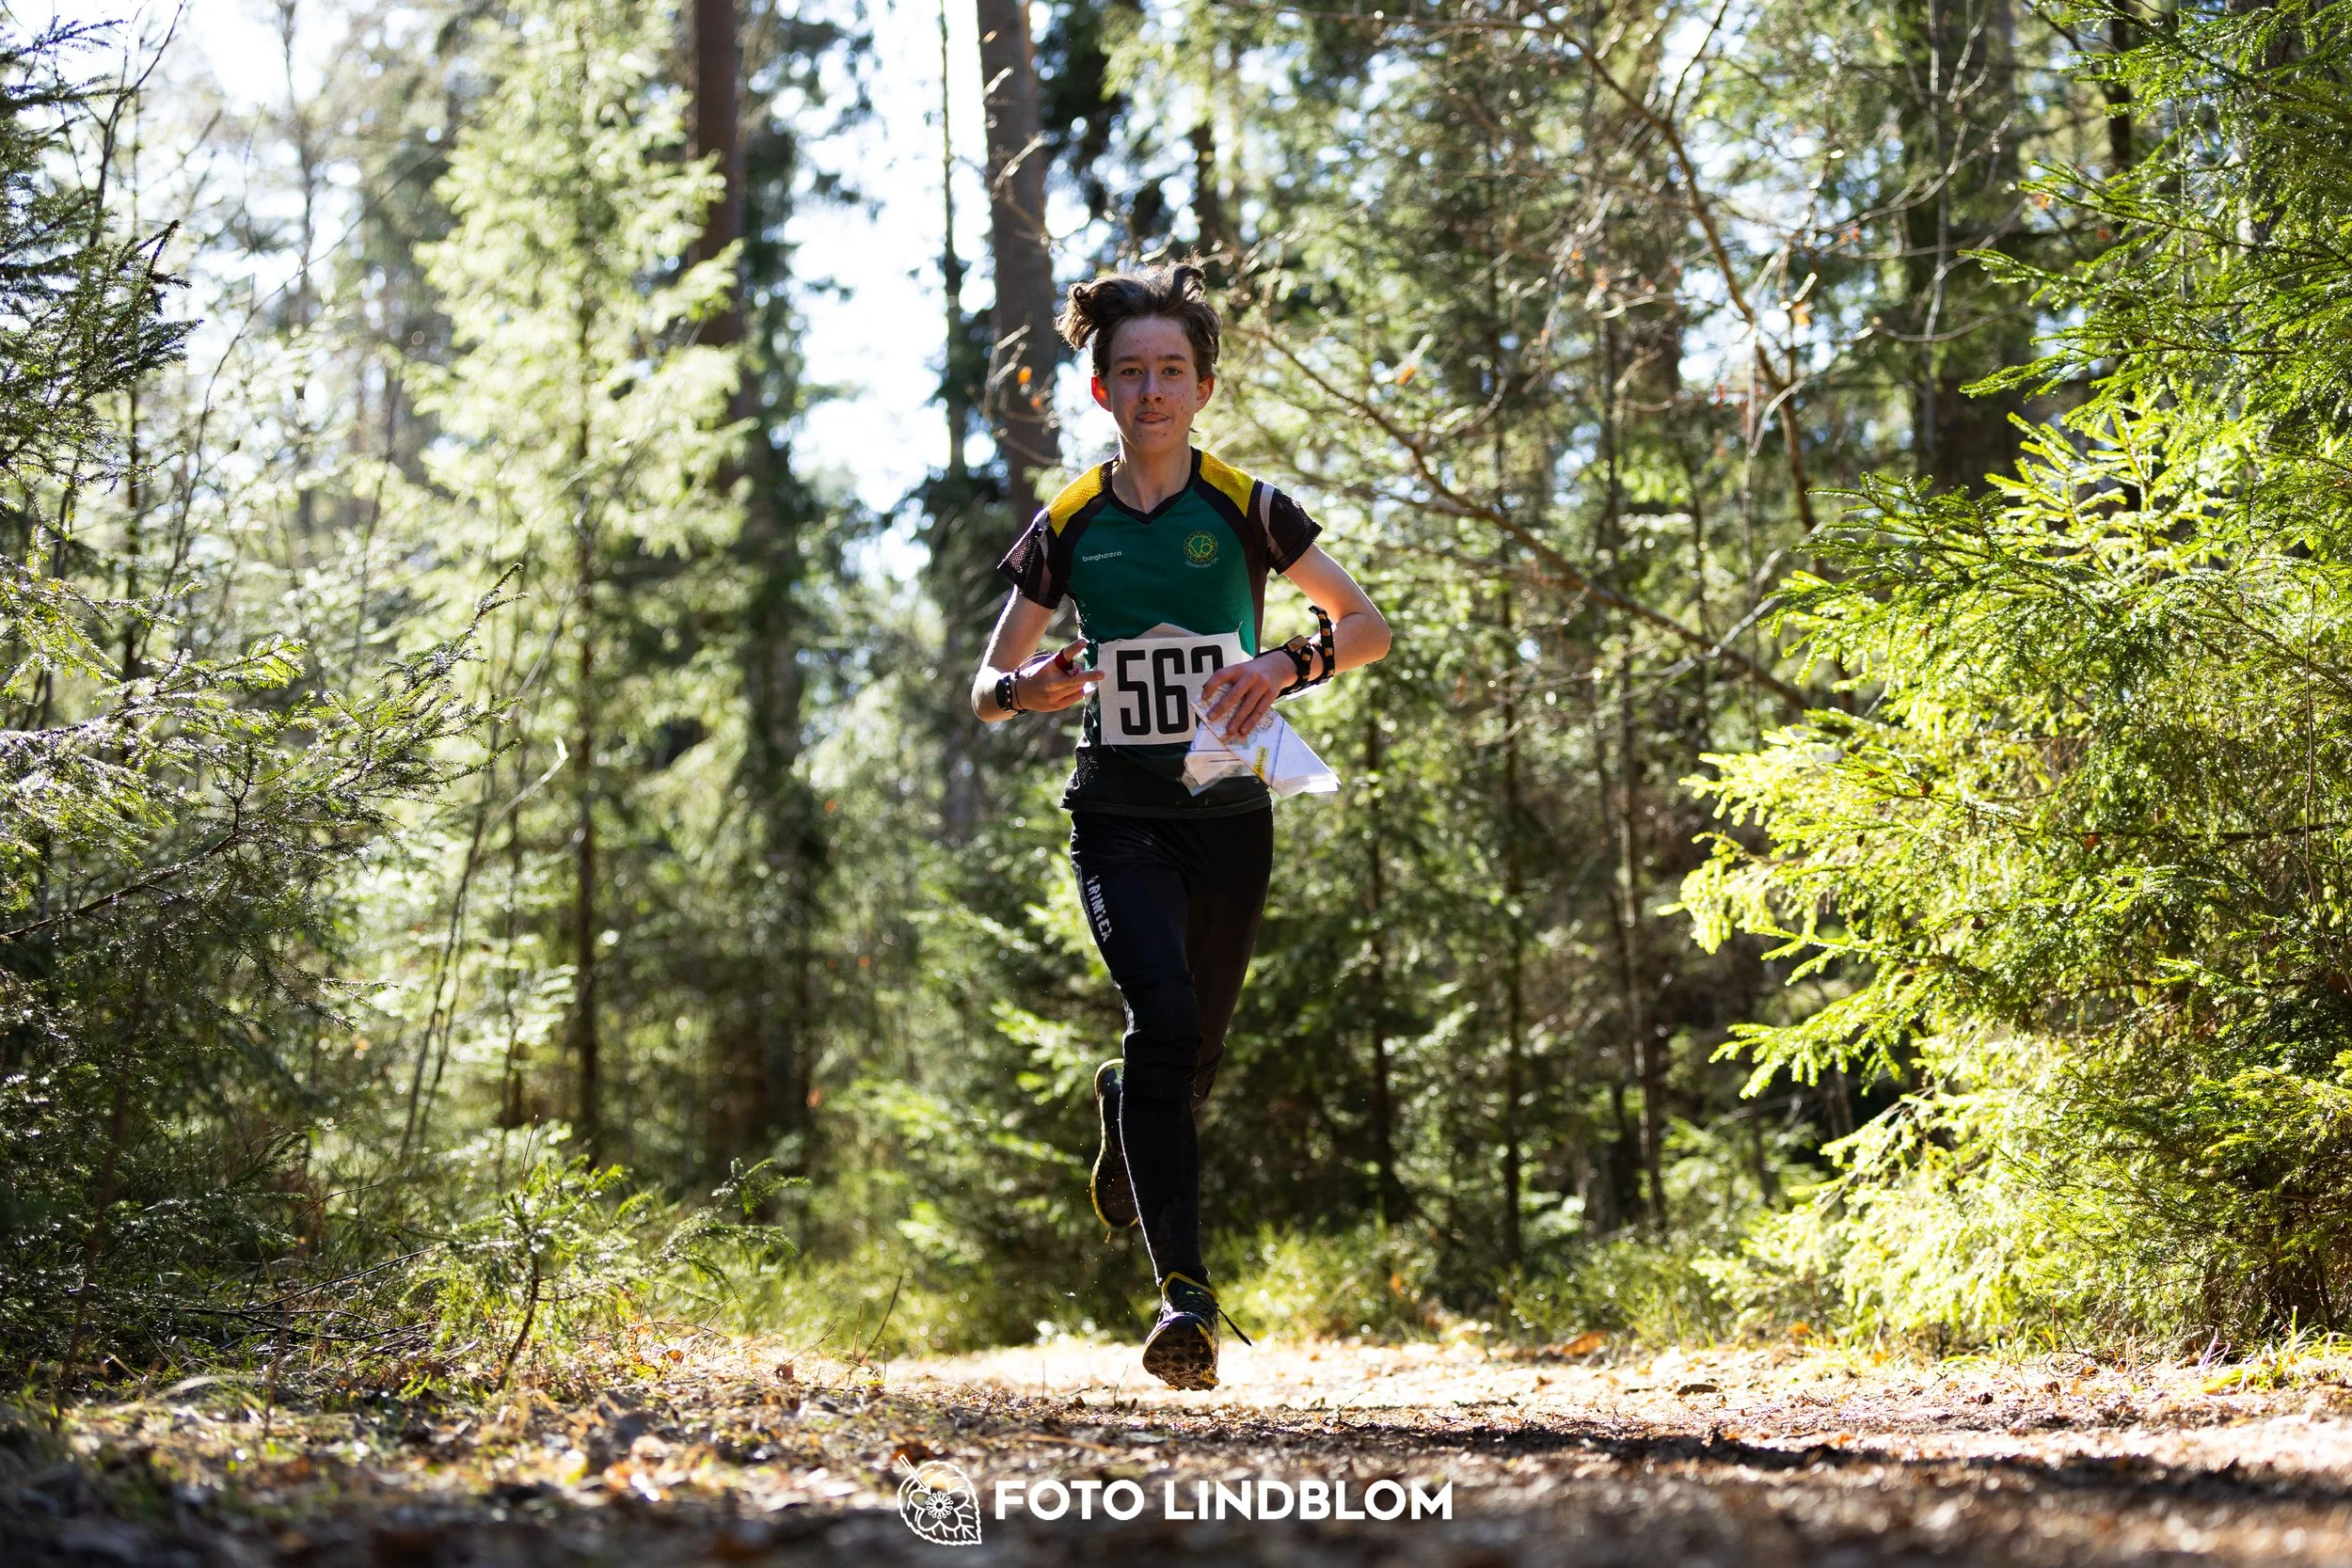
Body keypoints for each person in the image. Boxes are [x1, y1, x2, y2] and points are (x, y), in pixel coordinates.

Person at [970, 263, 1391, 1390]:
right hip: (1116, 811)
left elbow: (1365, 625)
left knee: (1183, 1059)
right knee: (1158, 1015)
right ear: (1100, 391)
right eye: (1130, 372)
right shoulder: (1068, 519)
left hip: (1229, 813)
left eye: (1171, 371)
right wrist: (1032, 690)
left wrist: (1280, 661)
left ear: (1201, 386)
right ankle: (1184, 1298)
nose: (1151, 390)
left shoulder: (1246, 505)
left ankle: (1123, 1105)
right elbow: (987, 681)